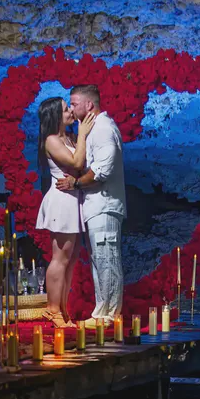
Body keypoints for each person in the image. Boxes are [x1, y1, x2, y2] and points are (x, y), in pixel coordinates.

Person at [57, 85, 127, 328]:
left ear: (89, 105)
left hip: (104, 205)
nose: (72, 108)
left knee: (107, 258)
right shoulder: (93, 129)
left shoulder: (103, 129)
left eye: (74, 103)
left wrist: (76, 183)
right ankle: (102, 311)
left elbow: (102, 170)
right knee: (100, 259)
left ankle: (108, 315)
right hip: (96, 205)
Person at [35, 97, 96, 328]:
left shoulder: (68, 137)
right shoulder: (51, 140)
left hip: (73, 200)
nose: (70, 111)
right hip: (62, 202)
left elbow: (82, 165)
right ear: (55, 117)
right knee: (60, 258)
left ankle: (62, 309)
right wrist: (82, 133)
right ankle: (52, 309)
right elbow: (76, 160)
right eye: (65, 109)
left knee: (69, 261)